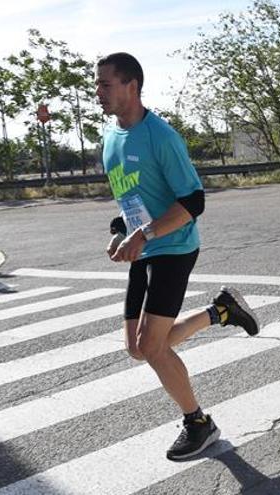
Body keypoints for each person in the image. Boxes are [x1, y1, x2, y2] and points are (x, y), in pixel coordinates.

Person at [96, 52, 260, 461]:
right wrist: (122, 233)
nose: (98, 92)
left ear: (131, 86)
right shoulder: (110, 139)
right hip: (144, 248)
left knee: (152, 348)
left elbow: (193, 200)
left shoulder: (160, 136)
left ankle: (198, 423)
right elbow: (132, 200)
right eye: (97, 84)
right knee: (139, 348)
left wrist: (145, 233)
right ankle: (220, 311)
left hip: (173, 246)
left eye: (105, 84)